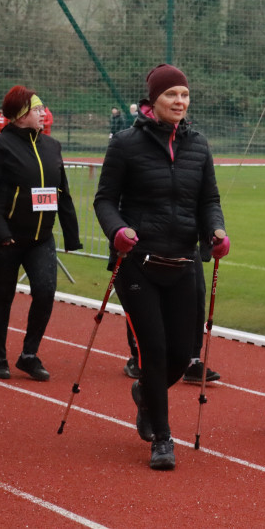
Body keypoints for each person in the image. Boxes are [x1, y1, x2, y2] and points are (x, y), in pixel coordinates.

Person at [94, 63, 229, 471]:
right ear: (153, 100)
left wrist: (216, 231)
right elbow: (104, 200)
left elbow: (208, 200)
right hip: (139, 264)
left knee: (183, 355)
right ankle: (163, 439)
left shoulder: (199, 145)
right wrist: (118, 231)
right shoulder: (124, 144)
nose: (180, 101)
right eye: (172, 94)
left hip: (185, 261)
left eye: (185, 95)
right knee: (153, 351)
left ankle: (147, 394)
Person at [0, 86, 82, 381]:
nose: (43, 113)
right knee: (3, 296)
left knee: (46, 292)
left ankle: (29, 354)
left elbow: (62, 193)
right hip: (5, 239)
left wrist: (71, 235)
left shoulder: (52, 146)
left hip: (41, 238)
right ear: (21, 114)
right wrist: (0, 230)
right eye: (38, 109)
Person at [122, 251, 221, 384]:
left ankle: (193, 361)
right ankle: (138, 356)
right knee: (143, 296)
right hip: (149, 243)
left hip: (186, 245)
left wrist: (211, 238)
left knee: (197, 294)